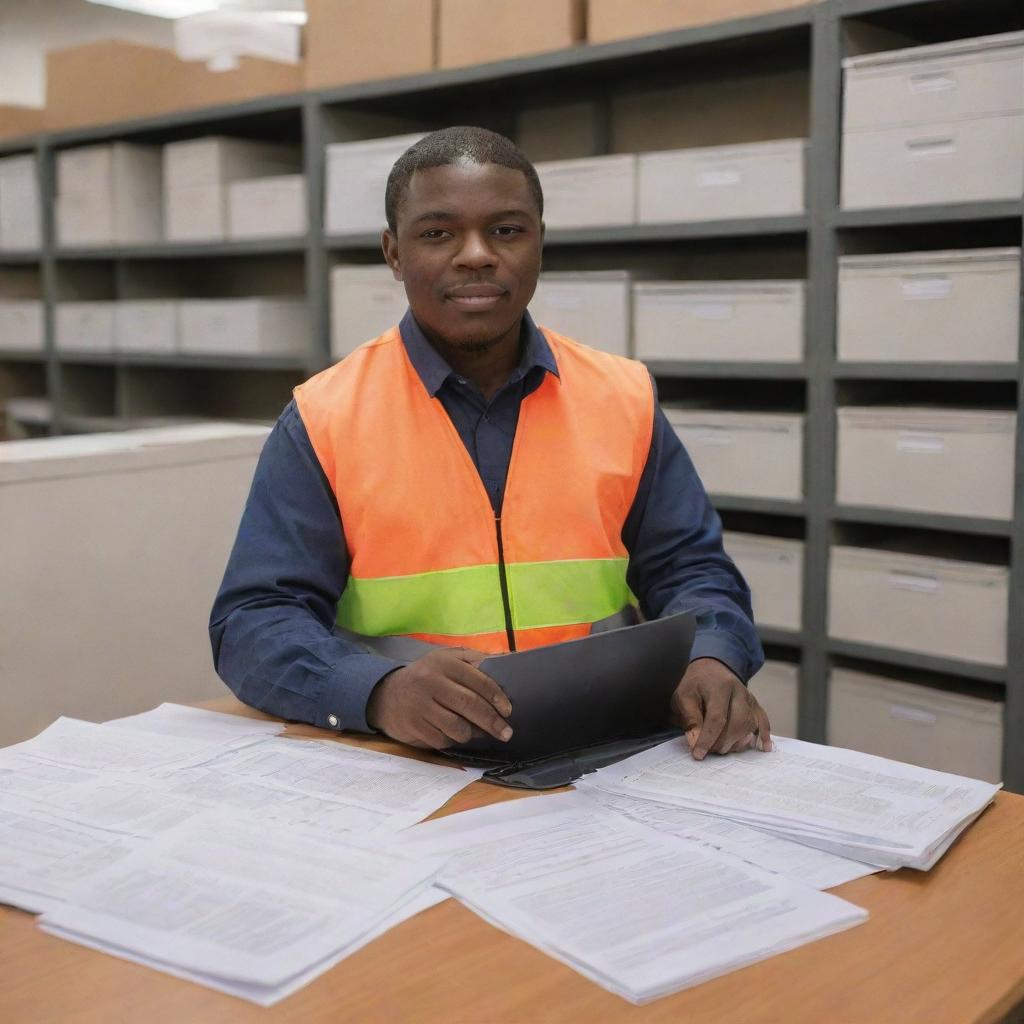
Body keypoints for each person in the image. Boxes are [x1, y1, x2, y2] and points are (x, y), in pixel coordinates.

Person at [210, 126, 772, 762]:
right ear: (394, 254)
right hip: (408, 764)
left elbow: (693, 571)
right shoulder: (323, 417)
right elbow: (254, 622)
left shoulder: (624, 396)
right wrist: (377, 689)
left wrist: (711, 655)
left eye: (506, 230)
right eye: (438, 233)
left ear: (539, 244)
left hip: (606, 756)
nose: (475, 254)